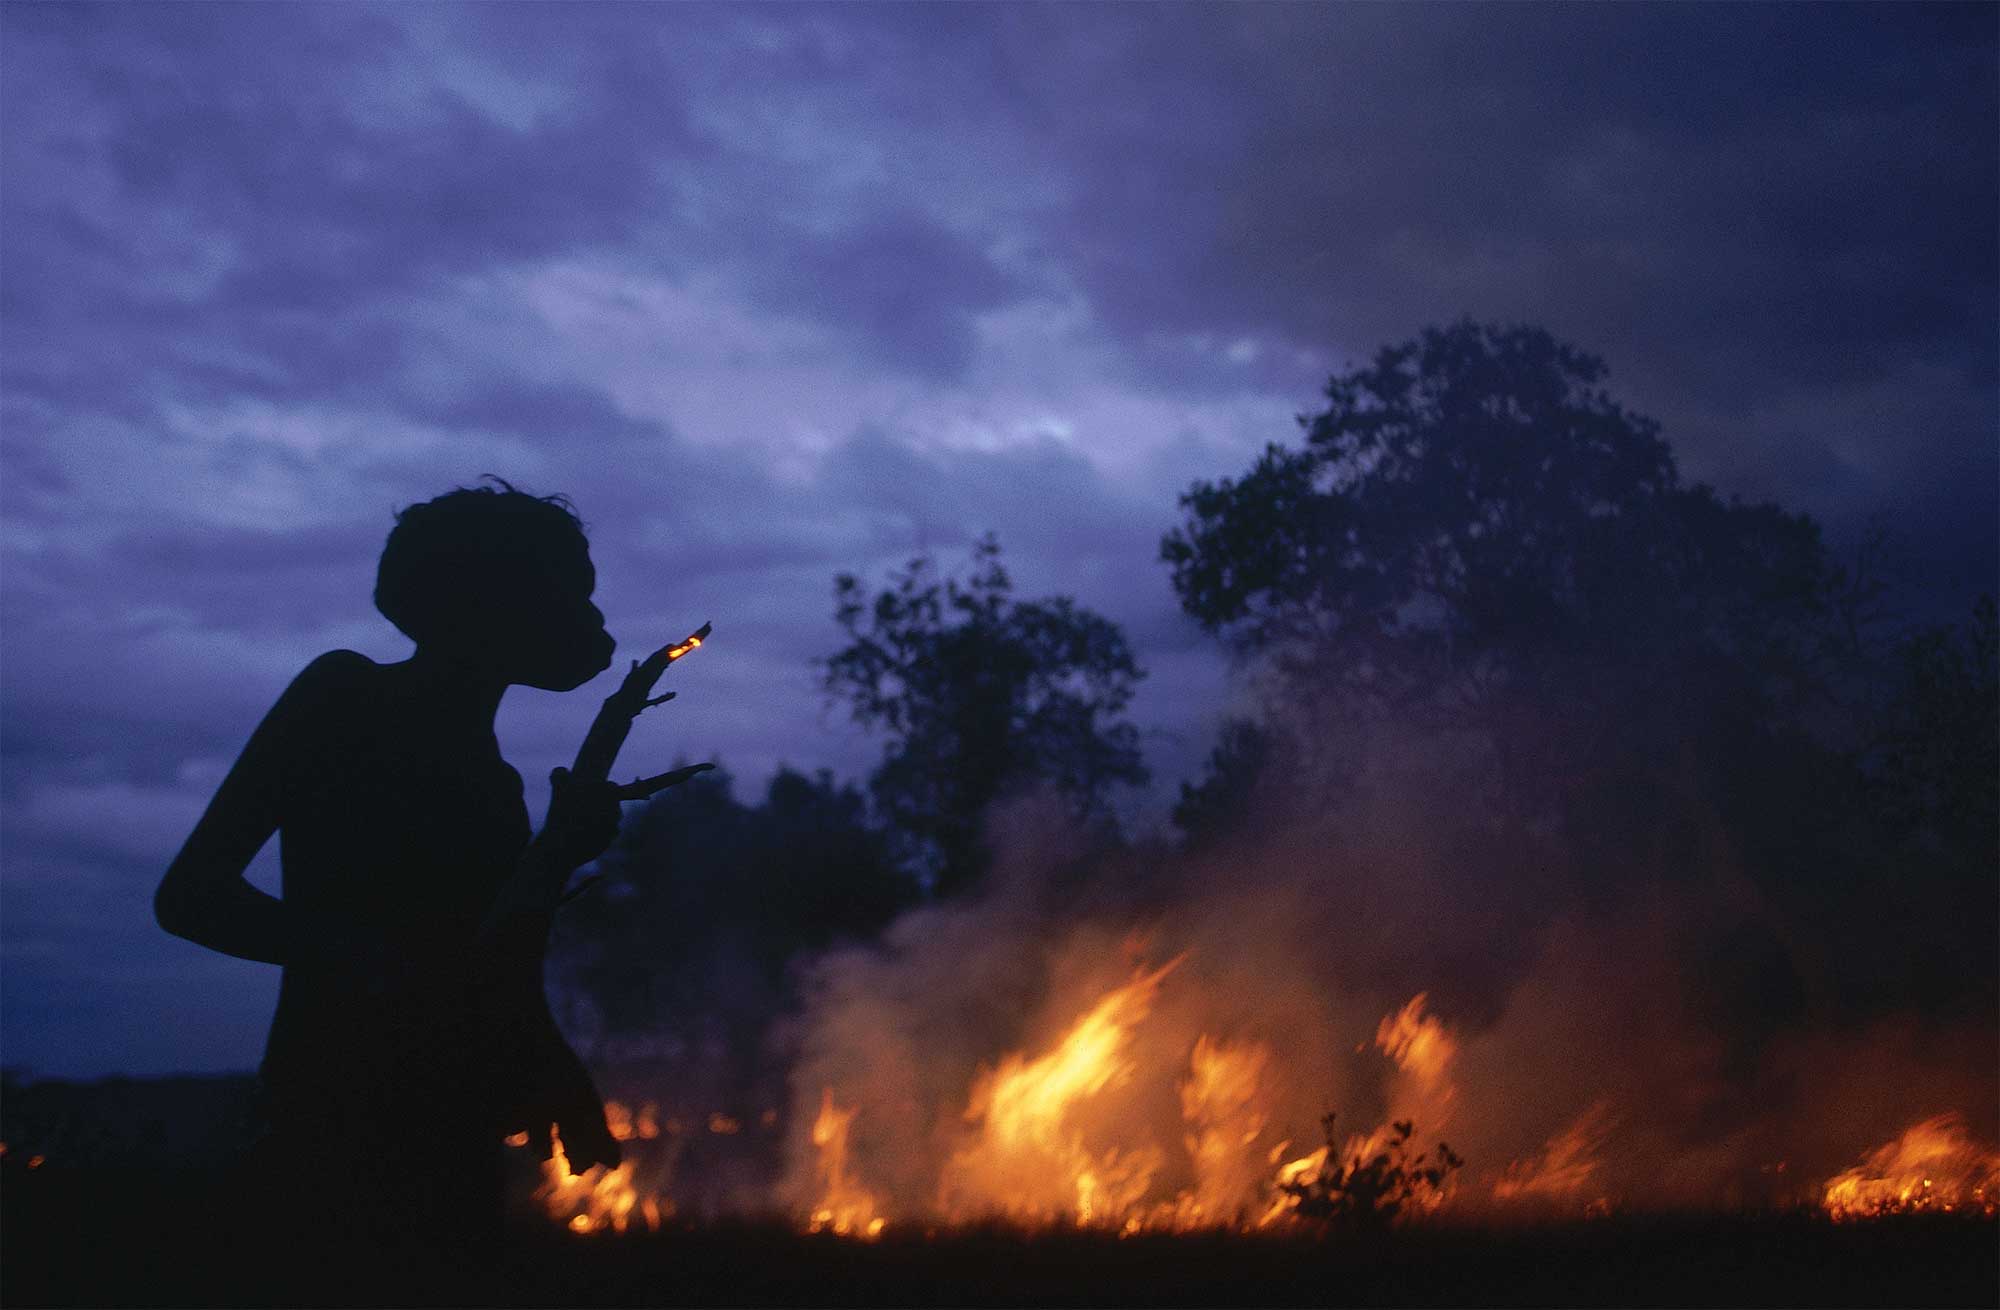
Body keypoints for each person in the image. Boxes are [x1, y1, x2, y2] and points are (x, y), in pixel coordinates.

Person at [155, 481, 674, 1264]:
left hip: (451, 1139)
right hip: (330, 1135)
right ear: (489, 604)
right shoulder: (345, 695)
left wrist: (558, 1068)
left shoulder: (499, 787)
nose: (595, 621)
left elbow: (494, 963)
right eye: (570, 594)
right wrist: (378, 959)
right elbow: (193, 896)